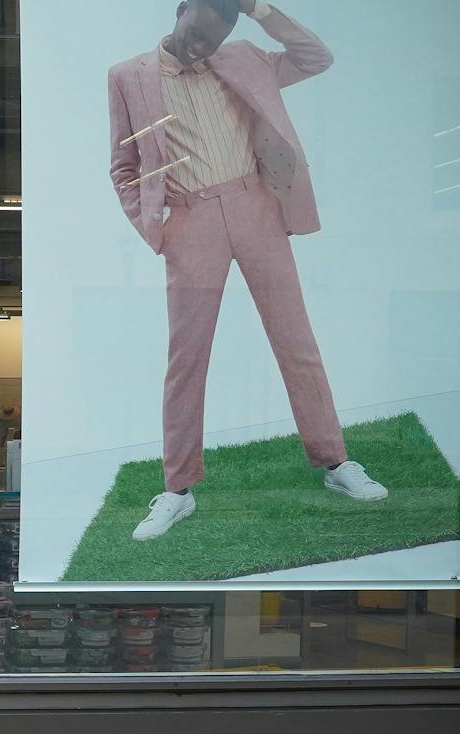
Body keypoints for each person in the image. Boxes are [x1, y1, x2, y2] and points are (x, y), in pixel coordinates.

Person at [108, 0, 387, 543]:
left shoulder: (246, 57)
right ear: (181, 9)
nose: (200, 48)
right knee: (186, 357)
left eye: (211, 41)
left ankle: (335, 463)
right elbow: (123, 164)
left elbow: (316, 57)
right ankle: (177, 490)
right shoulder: (127, 76)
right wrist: (154, 223)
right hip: (189, 220)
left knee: (295, 339)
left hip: (256, 206)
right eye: (194, 34)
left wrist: (260, 9)